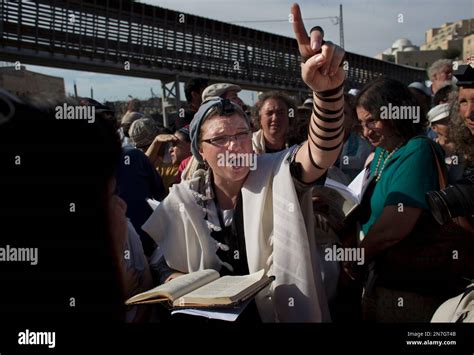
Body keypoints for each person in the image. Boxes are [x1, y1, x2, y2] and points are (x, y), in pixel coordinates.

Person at [140, 3, 346, 322]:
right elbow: (163, 262)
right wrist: (173, 281)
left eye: (241, 133)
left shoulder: (277, 174)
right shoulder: (182, 199)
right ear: (200, 153)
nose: (235, 144)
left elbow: (321, 152)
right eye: (220, 138)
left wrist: (328, 95)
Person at [352, 77, 460, 322]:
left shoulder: (417, 151)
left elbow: (394, 226)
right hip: (379, 279)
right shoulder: (382, 151)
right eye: (361, 124)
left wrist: (356, 258)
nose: (366, 132)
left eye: (373, 121)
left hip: (410, 290)